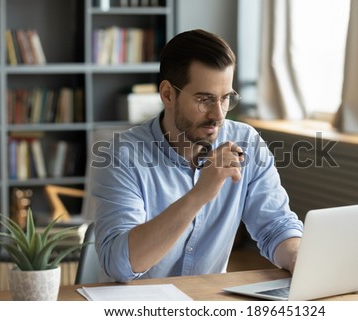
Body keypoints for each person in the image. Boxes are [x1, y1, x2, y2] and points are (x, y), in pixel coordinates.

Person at [91, 29, 303, 283]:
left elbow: (275, 226)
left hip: (209, 302)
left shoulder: (246, 142)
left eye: (225, 98)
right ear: (168, 94)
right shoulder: (120, 155)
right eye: (205, 100)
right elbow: (121, 265)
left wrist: (296, 257)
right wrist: (201, 192)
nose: (219, 115)